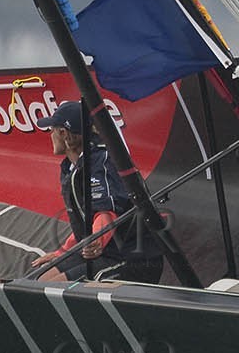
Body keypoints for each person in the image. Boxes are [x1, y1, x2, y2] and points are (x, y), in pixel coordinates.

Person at [30, 100, 163, 283]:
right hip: (104, 251)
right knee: (39, 281)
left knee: (54, 286)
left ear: (63, 133)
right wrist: (63, 252)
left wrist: (97, 240)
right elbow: (87, 223)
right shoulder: (71, 166)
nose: (50, 135)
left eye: (51, 130)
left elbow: (106, 212)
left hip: (133, 258)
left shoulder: (101, 162)